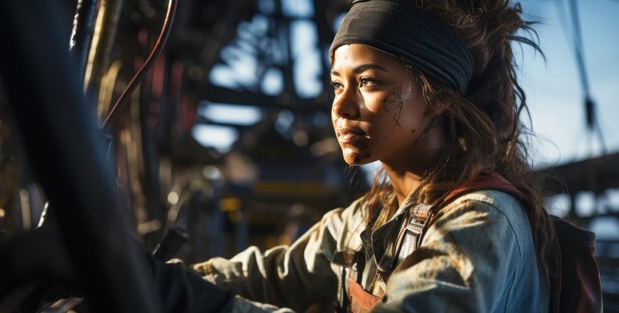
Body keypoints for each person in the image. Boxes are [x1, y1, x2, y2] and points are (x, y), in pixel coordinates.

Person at [192, 0, 556, 312]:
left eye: (369, 82)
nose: (341, 107)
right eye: (337, 84)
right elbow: (272, 275)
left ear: (438, 97)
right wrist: (167, 279)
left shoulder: (480, 221)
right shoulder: (369, 217)